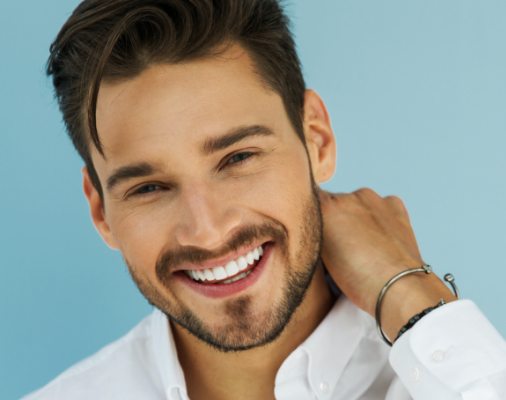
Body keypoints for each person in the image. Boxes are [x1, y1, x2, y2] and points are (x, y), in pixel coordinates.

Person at [24, 0, 506, 399]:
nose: (207, 229)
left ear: (316, 140)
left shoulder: (452, 378)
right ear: (100, 210)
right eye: (149, 188)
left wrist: (413, 297)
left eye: (238, 158)